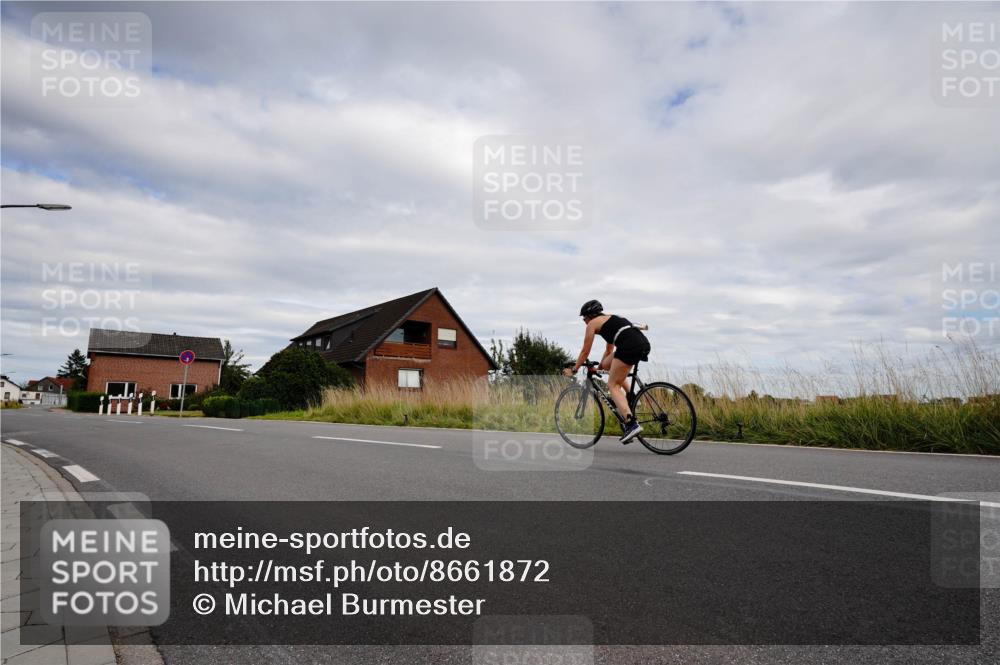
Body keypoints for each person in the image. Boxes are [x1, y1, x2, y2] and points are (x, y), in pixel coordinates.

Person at [563, 299, 651, 443]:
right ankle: (632, 396)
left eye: (584, 318)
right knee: (606, 365)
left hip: (628, 346)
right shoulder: (611, 320)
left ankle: (631, 424)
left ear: (590, 315)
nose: (584, 321)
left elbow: (585, 351)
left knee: (612, 385)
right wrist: (600, 368)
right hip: (642, 343)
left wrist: (574, 369)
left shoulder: (592, 324)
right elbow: (609, 350)